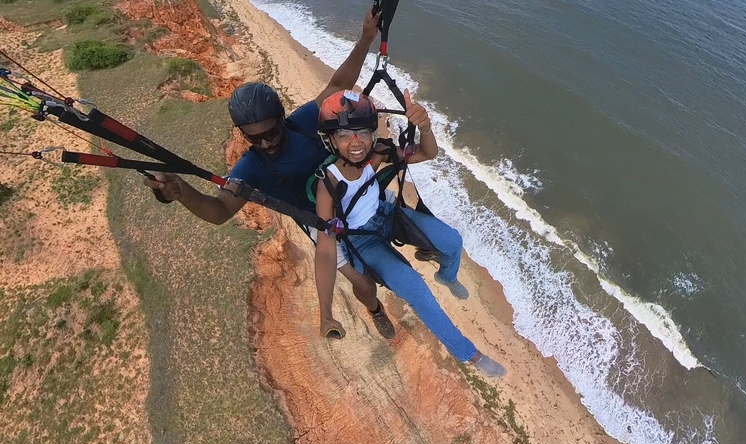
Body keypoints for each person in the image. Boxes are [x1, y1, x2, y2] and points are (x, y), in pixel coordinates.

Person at [143, 7, 397, 340]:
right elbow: (219, 210)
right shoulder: (252, 167)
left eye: (271, 132)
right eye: (254, 137)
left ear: (281, 119)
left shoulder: (302, 122)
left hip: (350, 191)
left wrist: (365, 39)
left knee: (403, 210)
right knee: (363, 281)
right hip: (320, 222)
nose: (266, 142)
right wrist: (182, 192)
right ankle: (375, 309)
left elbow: (339, 84)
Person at [313, 89, 506, 377]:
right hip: (361, 241)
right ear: (331, 140)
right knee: (417, 291)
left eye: (362, 133)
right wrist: (326, 311)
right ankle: (470, 354)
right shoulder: (327, 185)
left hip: (386, 215)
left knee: (452, 241)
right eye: (344, 135)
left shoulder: (376, 156)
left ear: (372, 134)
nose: (356, 142)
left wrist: (425, 126)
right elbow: (326, 250)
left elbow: (428, 152)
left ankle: (447, 276)